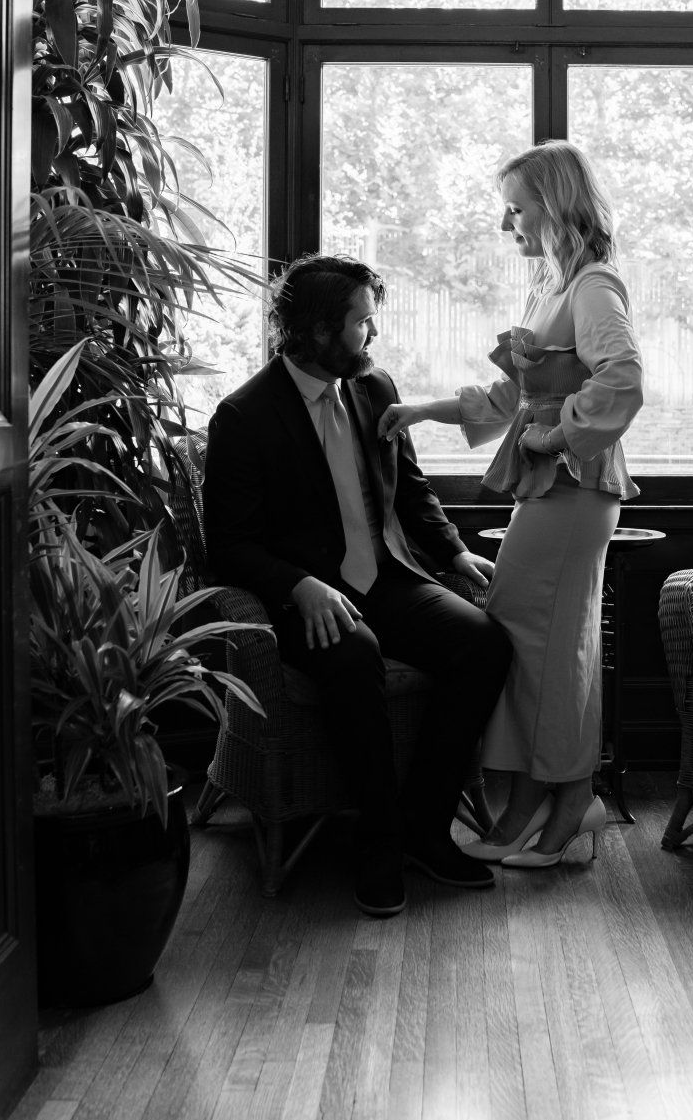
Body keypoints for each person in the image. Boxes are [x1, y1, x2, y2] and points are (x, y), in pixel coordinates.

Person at [202, 252, 514, 918]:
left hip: (388, 577)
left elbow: (412, 489)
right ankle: (377, 843)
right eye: (362, 322)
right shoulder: (244, 416)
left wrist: (455, 552)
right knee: (353, 654)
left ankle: (424, 827)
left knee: (484, 643)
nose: (373, 333)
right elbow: (228, 545)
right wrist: (299, 585)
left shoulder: (374, 387)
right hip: (306, 599)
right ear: (319, 330)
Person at [377, 140, 643, 870]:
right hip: (551, 491)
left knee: (540, 645)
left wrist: (555, 436)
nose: (505, 224)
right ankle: (549, 798)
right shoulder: (550, 288)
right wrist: (421, 410)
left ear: (554, 207)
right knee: (543, 645)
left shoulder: (593, 286)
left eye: (516, 209)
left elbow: (623, 380)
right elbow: (509, 398)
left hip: (574, 492)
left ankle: (556, 802)